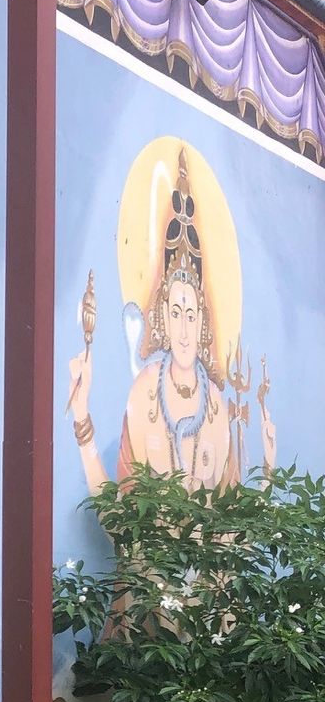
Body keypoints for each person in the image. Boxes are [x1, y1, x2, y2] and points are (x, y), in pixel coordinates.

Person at [67, 149, 275, 495]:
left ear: (202, 322)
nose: (184, 331)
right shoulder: (145, 394)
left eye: (191, 316)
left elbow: (235, 519)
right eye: (176, 313)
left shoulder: (215, 407)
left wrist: (268, 467)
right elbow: (117, 514)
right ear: (163, 316)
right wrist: (81, 417)